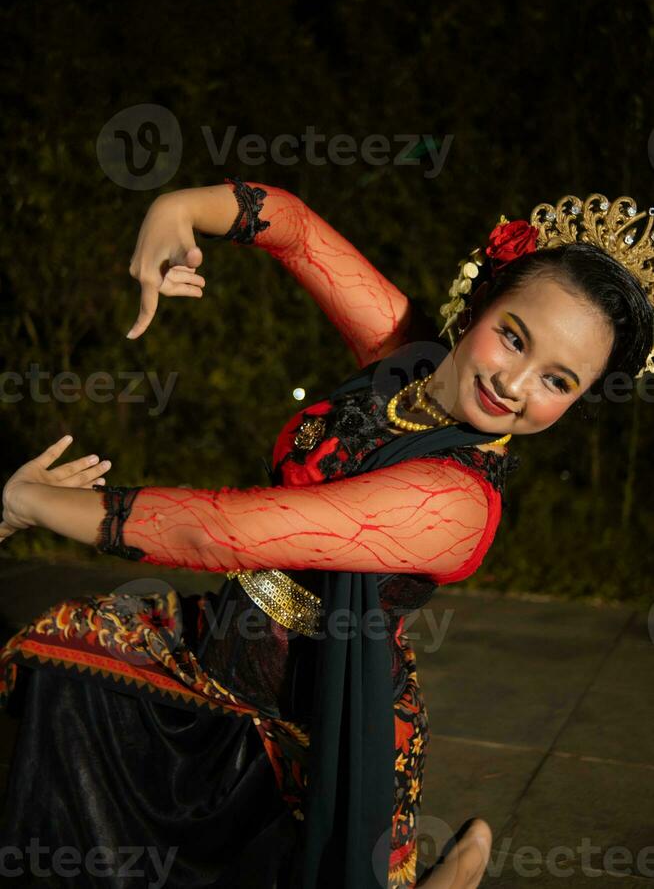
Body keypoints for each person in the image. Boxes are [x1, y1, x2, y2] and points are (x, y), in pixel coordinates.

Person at [0, 180, 651, 889]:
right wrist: (176, 210)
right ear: (480, 304)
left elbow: (224, 531)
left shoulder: (455, 502)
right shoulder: (408, 355)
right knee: (60, 672)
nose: (516, 384)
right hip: (213, 658)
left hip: (311, 732)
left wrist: (30, 504)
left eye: (558, 381)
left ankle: (452, 873)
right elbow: (298, 229)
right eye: (514, 337)